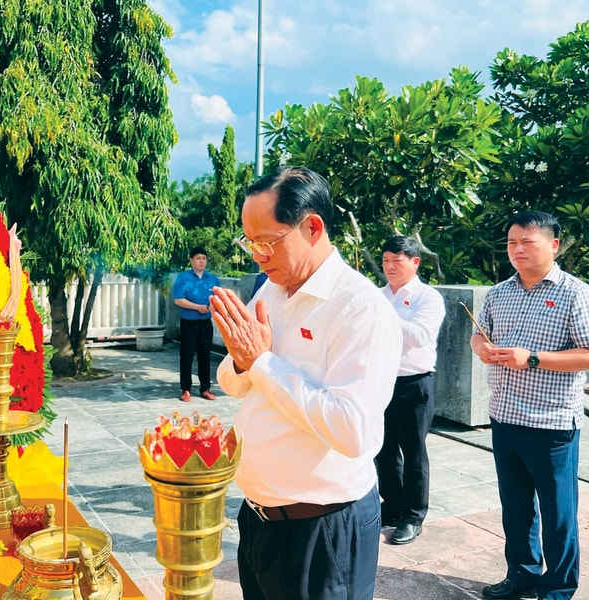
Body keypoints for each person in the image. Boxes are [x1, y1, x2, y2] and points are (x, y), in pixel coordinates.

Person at [211, 166, 402, 600]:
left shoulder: (359, 309)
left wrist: (261, 362)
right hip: (259, 517)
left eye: (266, 242)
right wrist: (246, 363)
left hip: (321, 528)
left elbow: (352, 430)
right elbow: (233, 380)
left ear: (312, 227)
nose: (257, 255)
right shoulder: (272, 291)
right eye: (249, 242)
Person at [470, 211, 589, 600]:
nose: (517, 249)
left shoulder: (576, 294)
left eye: (527, 242)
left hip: (551, 422)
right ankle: (522, 574)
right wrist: (483, 349)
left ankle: (559, 589)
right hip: (504, 415)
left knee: (558, 514)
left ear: (553, 245)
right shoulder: (499, 293)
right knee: (515, 507)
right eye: (512, 242)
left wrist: (530, 358)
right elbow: (477, 337)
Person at [375, 236, 445, 545]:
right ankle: (391, 507)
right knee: (384, 450)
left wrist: (383, 317)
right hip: (381, 381)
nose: (389, 267)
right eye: (386, 261)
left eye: (397, 261)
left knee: (414, 452)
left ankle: (413, 517)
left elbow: (418, 336)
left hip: (414, 383)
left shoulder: (427, 297)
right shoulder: (377, 296)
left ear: (415, 262)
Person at [173, 246, 220, 402]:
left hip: (206, 323)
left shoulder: (213, 279)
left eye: (204, 258)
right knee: (186, 356)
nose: (202, 261)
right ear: (191, 260)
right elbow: (178, 299)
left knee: (205, 356)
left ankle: (205, 388)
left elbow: (219, 298)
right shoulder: (183, 278)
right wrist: (196, 307)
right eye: (198, 258)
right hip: (189, 324)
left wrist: (213, 306)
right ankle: (186, 389)